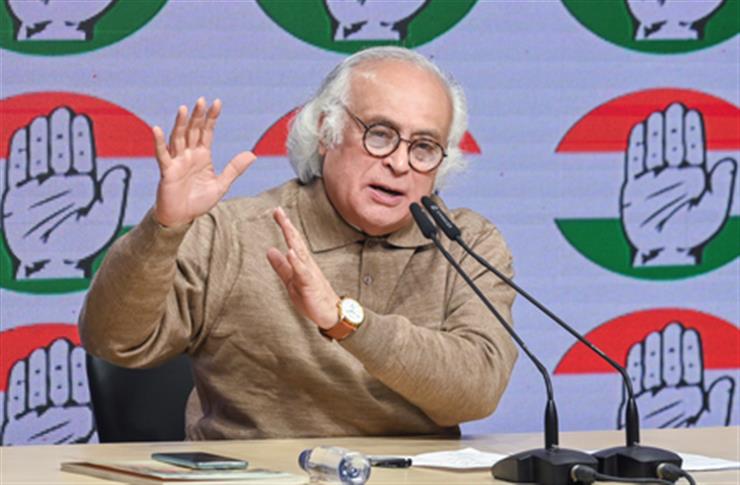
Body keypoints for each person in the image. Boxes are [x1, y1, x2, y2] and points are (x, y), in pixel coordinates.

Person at [79, 46, 518, 440]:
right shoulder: (233, 232)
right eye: (381, 134)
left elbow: (477, 392)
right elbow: (114, 340)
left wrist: (347, 322)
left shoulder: (467, 244)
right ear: (327, 132)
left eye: (424, 146)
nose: (400, 163)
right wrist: (164, 229)